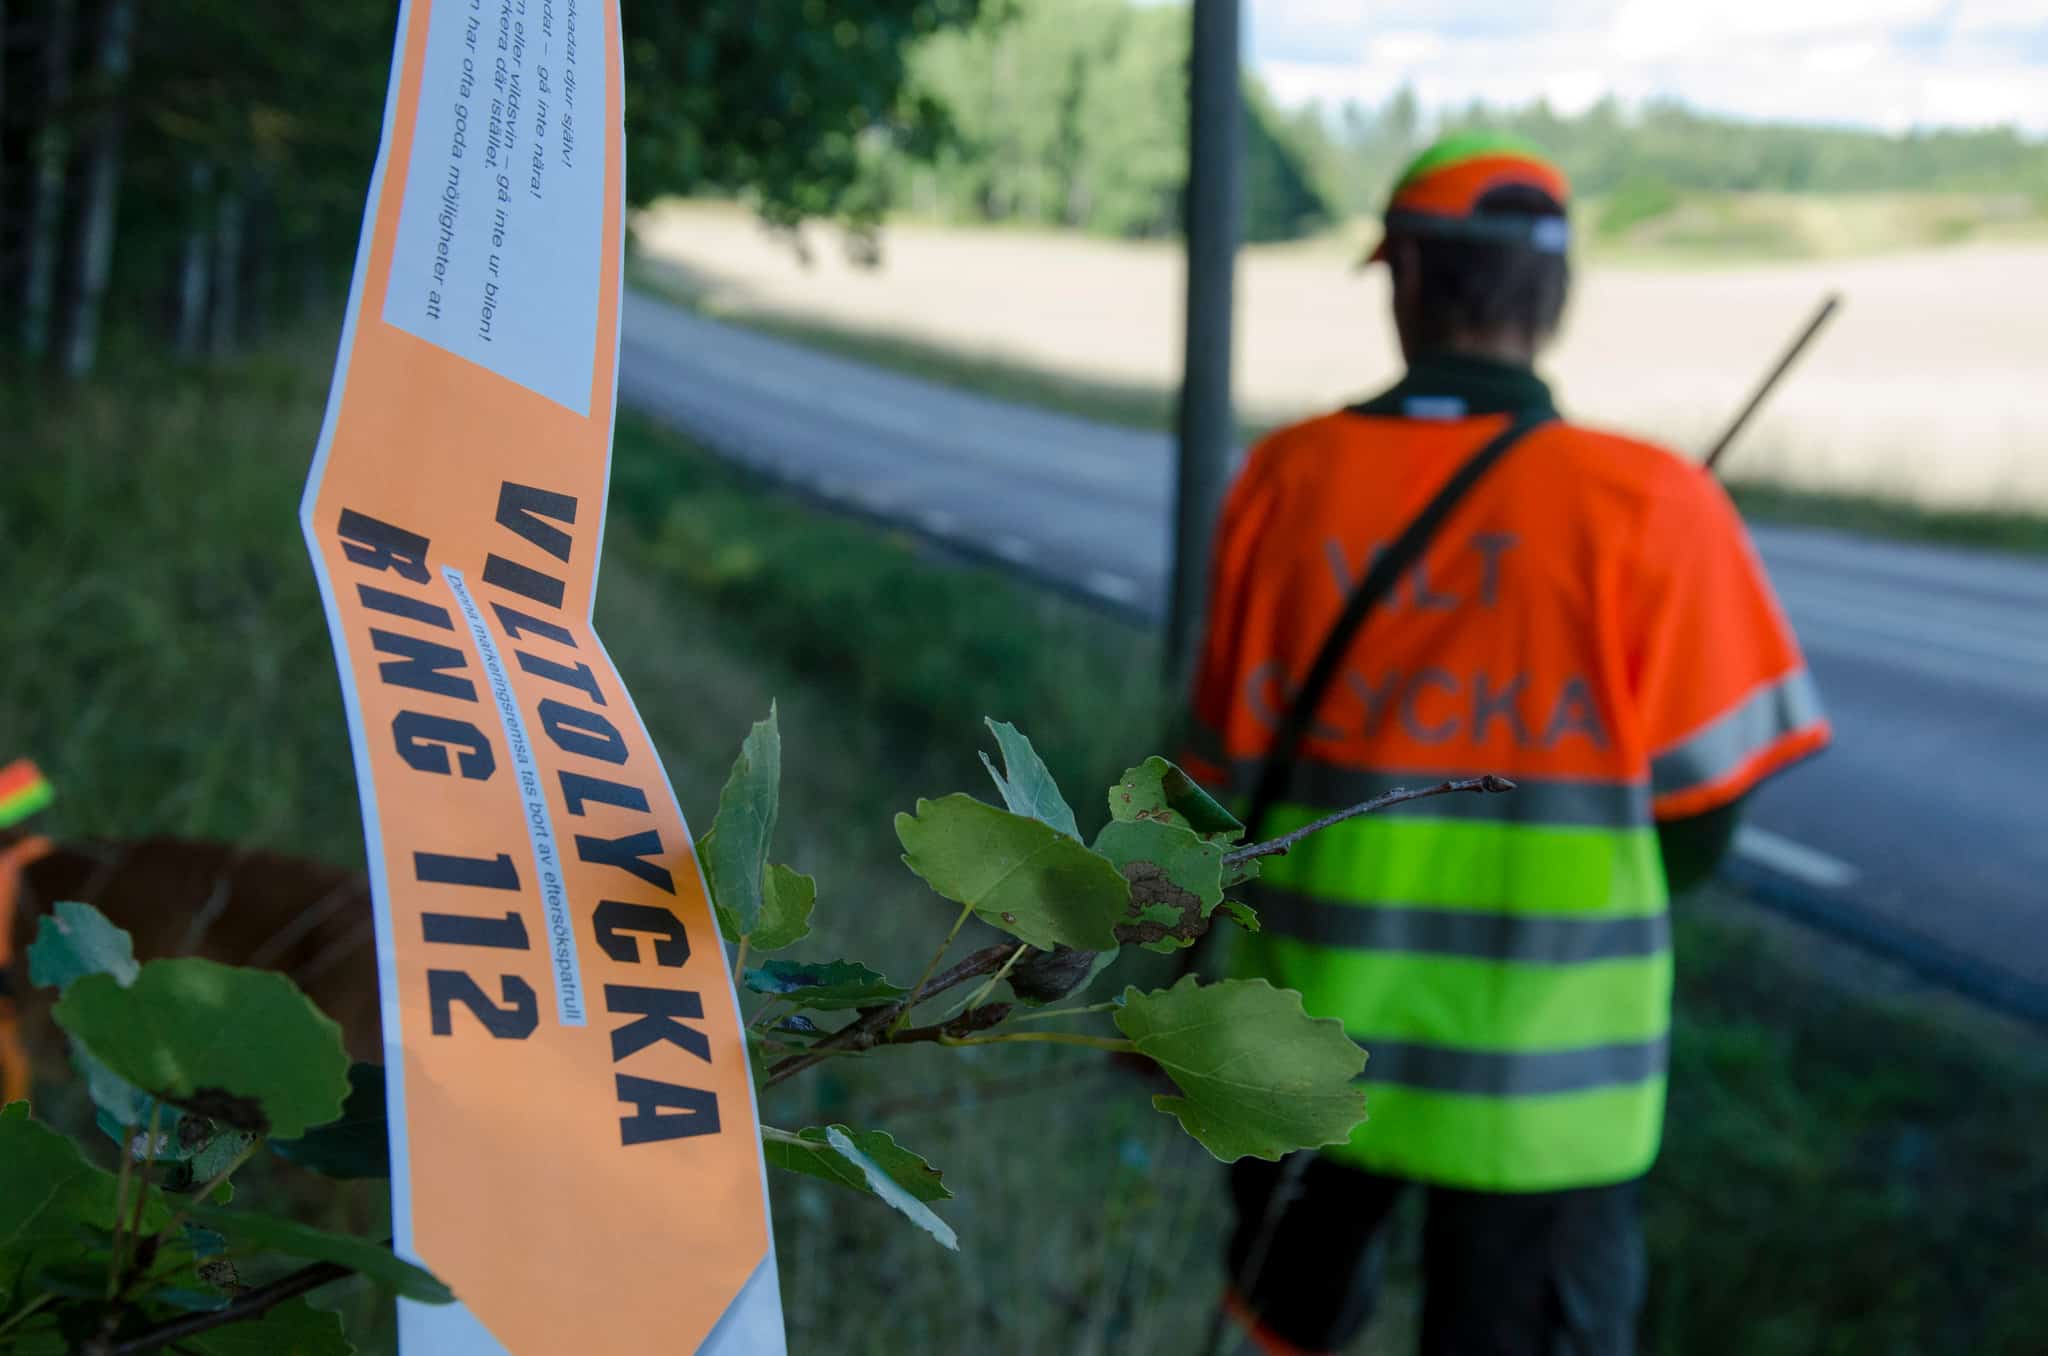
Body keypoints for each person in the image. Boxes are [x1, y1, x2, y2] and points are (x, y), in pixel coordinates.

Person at [1179, 131, 1832, 1356]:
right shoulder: (1653, 507)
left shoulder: (1284, 481)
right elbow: (1698, 825)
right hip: (1548, 1090)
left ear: (1405, 279)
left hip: (1295, 1052)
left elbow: (1208, 783)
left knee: (1278, 1329)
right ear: (1555, 298)